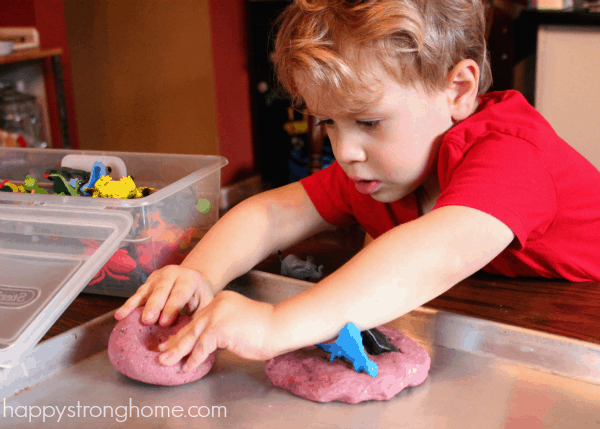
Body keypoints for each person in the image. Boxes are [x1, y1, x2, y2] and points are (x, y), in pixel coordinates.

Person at [115, 0, 600, 372]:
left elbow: (437, 252)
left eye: (368, 121)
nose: (344, 150)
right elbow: (272, 213)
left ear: (458, 90)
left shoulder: (512, 153)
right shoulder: (384, 168)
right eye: (330, 122)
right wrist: (198, 274)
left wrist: (275, 324)